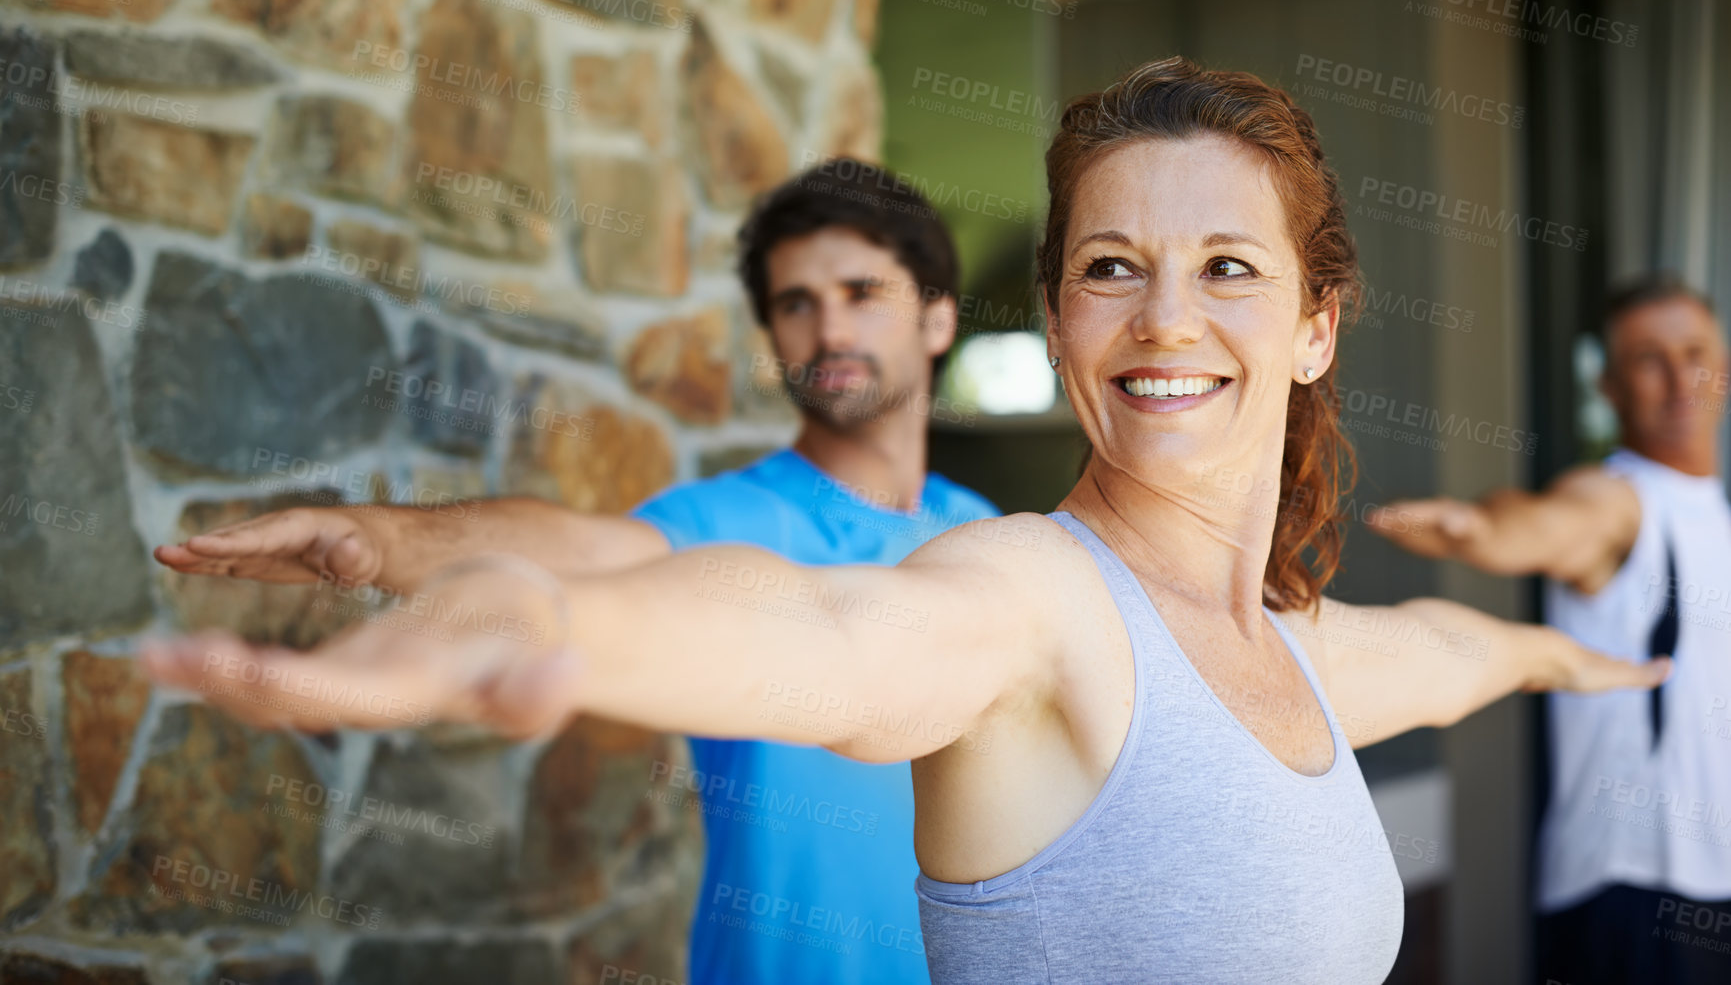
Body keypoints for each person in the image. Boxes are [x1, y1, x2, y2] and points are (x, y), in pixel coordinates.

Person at [142, 57, 1669, 984]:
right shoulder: (1016, 596)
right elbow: (816, 621)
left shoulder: (1295, 644)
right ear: (1058, 317)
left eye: (1225, 266)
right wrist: (522, 618)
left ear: (1315, 324)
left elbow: (1447, 645)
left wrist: (1575, 666)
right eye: (1108, 267)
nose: (1161, 316)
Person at [151, 159, 998, 985]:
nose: (831, 332)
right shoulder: (733, 518)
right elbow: (578, 550)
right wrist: (375, 541)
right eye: (795, 304)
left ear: (935, 318)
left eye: (860, 293)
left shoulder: (986, 538)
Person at [1368, 276, 1731, 985]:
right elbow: (1542, 523)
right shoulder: (1619, 501)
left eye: (1694, 351)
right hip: (1634, 890)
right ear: (1609, 386)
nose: (1678, 376)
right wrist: (1479, 528)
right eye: (1647, 359)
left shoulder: (1714, 520)